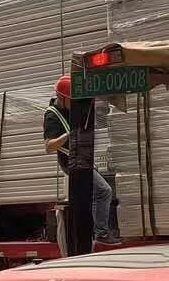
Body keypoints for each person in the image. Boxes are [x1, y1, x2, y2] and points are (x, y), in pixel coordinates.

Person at [43, 75, 118, 243]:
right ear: (62, 98)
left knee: (93, 194)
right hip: (71, 162)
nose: (75, 103)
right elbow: (49, 146)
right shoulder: (52, 116)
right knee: (104, 190)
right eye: (72, 100)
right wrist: (69, 135)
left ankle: (92, 233)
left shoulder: (70, 108)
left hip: (82, 159)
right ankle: (101, 233)